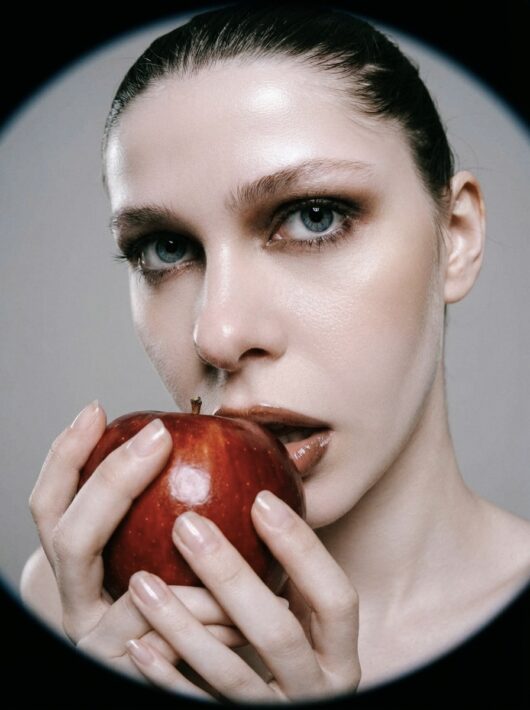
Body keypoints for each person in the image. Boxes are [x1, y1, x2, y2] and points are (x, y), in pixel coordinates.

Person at [19, 1, 530, 703]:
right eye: (164, 248)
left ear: (458, 237)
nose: (219, 334)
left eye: (314, 217)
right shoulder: (70, 608)